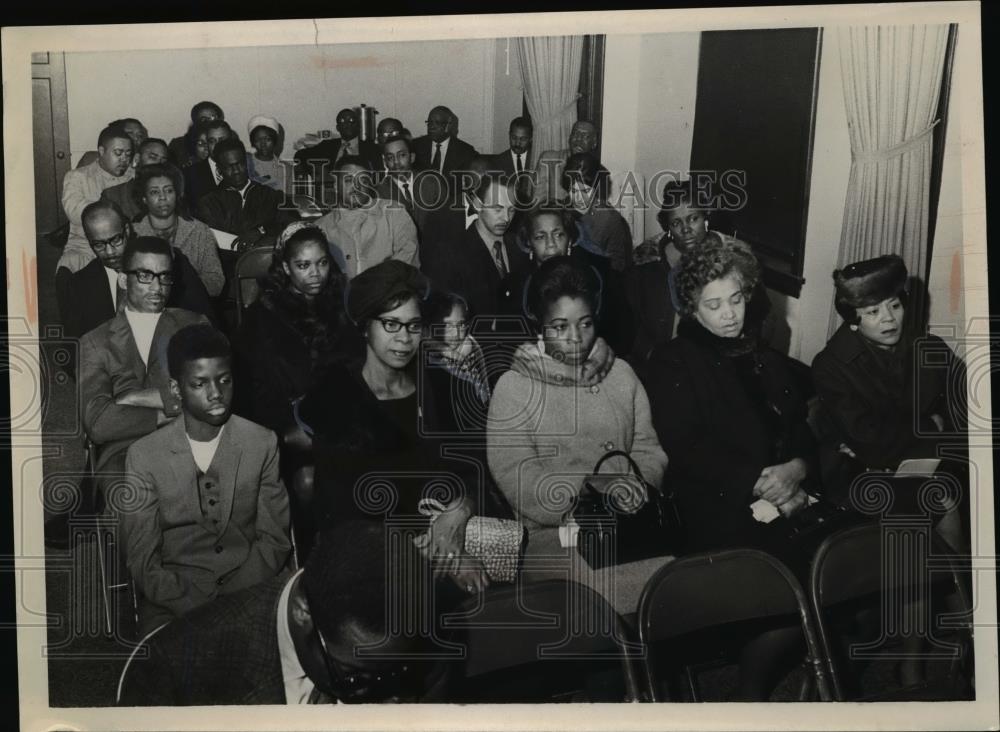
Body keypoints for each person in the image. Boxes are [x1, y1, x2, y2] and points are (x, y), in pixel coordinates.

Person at [642, 240, 820, 701]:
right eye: (713, 304)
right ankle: (751, 696)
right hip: (715, 507)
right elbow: (689, 449)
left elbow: (798, 428)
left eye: (736, 299)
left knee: (832, 568)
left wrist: (797, 469)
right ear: (691, 308)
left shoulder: (762, 354)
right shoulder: (672, 361)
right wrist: (768, 484)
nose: (729, 315)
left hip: (781, 495)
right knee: (794, 595)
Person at [294, 260, 489, 595]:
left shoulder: (443, 390)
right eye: (391, 325)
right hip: (374, 561)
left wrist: (459, 512)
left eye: (413, 326)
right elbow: (344, 515)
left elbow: (477, 470)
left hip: (452, 540)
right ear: (364, 327)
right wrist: (433, 552)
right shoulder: (337, 401)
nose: (404, 339)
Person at [487, 256, 669, 604]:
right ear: (540, 325)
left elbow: (647, 447)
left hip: (629, 524)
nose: (575, 339)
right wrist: (587, 489)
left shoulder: (621, 375)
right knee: (610, 599)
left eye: (585, 324)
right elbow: (515, 474)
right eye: (560, 326)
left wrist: (638, 486)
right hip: (555, 533)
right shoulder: (514, 387)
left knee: (670, 586)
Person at [118, 520, 446, 705]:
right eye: (351, 677)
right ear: (303, 611)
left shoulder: (421, 641)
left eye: (393, 671)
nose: (375, 690)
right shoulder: (174, 668)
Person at [122, 323, 291, 635]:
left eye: (224, 380)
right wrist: (191, 602)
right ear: (176, 389)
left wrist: (231, 601)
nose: (216, 394)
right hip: (174, 601)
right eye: (199, 384)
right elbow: (143, 560)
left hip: (250, 589)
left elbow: (274, 540)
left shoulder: (261, 442)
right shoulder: (144, 456)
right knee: (169, 668)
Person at [812, 254, 968, 553]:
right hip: (858, 478)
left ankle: (957, 593)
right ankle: (939, 594)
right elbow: (869, 441)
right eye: (872, 312)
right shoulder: (830, 366)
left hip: (930, 465)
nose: (889, 318)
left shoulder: (930, 347)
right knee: (938, 502)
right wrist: (930, 424)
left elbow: (965, 415)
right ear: (853, 321)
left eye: (895, 305)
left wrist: (897, 436)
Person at [79, 237, 209, 502]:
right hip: (125, 451)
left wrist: (135, 398)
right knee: (136, 496)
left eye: (164, 276)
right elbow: (98, 423)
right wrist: (167, 411)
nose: (157, 287)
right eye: (145, 276)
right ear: (124, 280)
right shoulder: (94, 342)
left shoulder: (196, 326)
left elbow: (215, 393)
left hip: (191, 440)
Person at [625, 178, 770, 368]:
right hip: (660, 364)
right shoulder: (646, 264)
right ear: (668, 227)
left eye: (693, 219)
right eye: (676, 223)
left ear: (706, 217)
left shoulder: (735, 260)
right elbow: (632, 325)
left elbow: (764, 319)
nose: (686, 230)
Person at [234, 223, 357, 438]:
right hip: (284, 423)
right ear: (287, 267)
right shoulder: (263, 314)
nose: (315, 274)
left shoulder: (340, 305)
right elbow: (253, 387)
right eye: (303, 265)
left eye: (322, 263)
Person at [55, 201, 215, 341]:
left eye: (116, 240)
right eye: (99, 245)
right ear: (89, 241)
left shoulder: (169, 263)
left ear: (127, 231)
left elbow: (206, 324)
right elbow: (74, 351)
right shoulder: (79, 285)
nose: (110, 252)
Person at [515, 205, 635, 357]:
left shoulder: (599, 278)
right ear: (529, 243)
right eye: (540, 237)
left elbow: (622, 335)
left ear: (570, 239)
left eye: (558, 235)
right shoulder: (516, 287)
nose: (551, 244)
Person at [314, 156, 419, 279]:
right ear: (336, 186)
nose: (356, 187)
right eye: (348, 180)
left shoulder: (393, 213)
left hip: (387, 294)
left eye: (363, 181)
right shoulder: (321, 228)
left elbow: (408, 262)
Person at [132, 163, 225, 296]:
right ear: (144, 198)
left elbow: (216, 282)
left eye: (169, 190)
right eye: (154, 192)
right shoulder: (133, 233)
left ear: (177, 194)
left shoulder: (199, 231)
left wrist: (176, 289)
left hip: (192, 307)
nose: (163, 197)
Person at [58, 124, 135, 273]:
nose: (124, 159)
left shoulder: (133, 176)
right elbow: (74, 211)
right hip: (84, 247)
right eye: (118, 153)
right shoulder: (77, 176)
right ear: (101, 151)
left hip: (122, 248)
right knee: (67, 271)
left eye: (128, 154)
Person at [194, 137, 292, 251]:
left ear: (246, 163)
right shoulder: (209, 202)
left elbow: (293, 226)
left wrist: (262, 230)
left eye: (239, 164)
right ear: (219, 170)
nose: (236, 171)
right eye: (229, 167)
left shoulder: (271, 196)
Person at [375, 135, 450, 250]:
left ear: (412, 157)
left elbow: (448, 225)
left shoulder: (433, 184)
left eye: (402, 155)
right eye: (390, 157)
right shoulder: (379, 193)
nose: (396, 162)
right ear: (385, 162)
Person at [562, 152, 633, 272]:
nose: (579, 198)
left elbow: (617, 267)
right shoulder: (562, 209)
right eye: (573, 191)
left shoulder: (611, 220)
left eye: (586, 191)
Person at [293, 108, 382, 198]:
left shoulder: (371, 148)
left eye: (352, 121)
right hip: (330, 195)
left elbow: (379, 175)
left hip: (360, 193)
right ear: (337, 128)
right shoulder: (328, 145)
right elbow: (299, 156)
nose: (347, 124)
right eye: (342, 121)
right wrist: (318, 169)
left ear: (358, 126)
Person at [100, 137, 170, 222]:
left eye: (163, 161)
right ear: (137, 159)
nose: (158, 164)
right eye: (153, 157)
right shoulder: (112, 196)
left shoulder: (171, 196)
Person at [534, 120, 599, 205]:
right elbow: (538, 199)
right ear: (569, 137)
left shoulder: (596, 170)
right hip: (552, 215)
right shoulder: (549, 160)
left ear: (594, 143)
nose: (578, 140)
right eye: (575, 134)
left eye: (585, 136)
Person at [412, 105, 477, 181]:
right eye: (430, 122)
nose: (431, 127)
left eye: (437, 123)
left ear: (448, 126)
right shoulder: (416, 145)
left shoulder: (465, 151)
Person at [183, 119, 234, 206]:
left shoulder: (244, 169)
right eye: (212, 141)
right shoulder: (188, 174)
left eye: (222, 140)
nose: (218, 146)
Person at [75, 118, 149, 170]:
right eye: (130, 133)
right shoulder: (91, 159)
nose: (136, 139)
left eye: (140, 135)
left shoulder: (146, 163)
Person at [168, 101, 225, 168]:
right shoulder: (178, 144)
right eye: (203, 119)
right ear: (195, 121)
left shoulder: (228, 138)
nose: (209, 122)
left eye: (213, 117)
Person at [246, 114, 294, 193]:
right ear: (253, 142)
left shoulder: (286, 168)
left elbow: (290, 199)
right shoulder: (246, 164)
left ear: (275, 140)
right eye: (258, 140)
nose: (263, 144)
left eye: (268, 139)